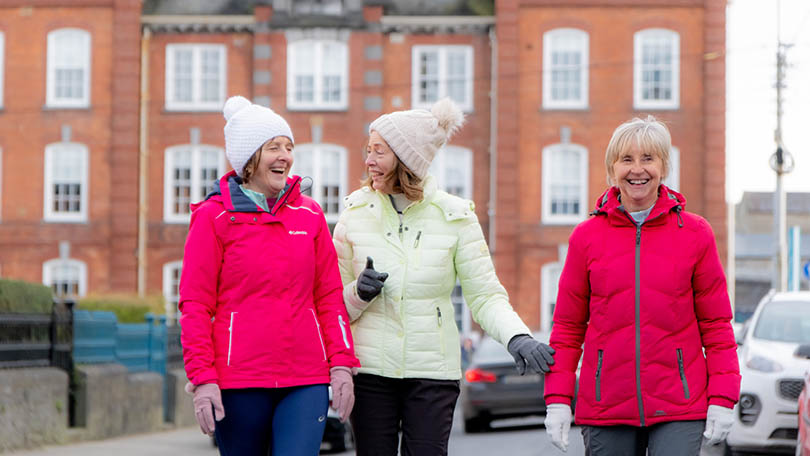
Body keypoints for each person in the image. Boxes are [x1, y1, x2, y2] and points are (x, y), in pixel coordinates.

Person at [332, 97, 555, 455]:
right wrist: (358, 293)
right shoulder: (354, 215)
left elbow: (485, 296)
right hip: (371, 372)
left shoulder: (456, 217)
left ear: (406, 159)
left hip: (432, 373)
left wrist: (517, 337)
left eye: (379, 152)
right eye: (368, 150)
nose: (368, 161)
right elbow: (331, 307)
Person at [542, 116, 741, 455]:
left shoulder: (695, 234)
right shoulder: (586, 238)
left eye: (648, 158)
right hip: (606, 406)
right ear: (612, 168)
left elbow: (716, 324)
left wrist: (723, 396)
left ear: (664, 166)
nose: (637, 170)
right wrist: (558, 399)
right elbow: (568, 327)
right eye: (627, 160)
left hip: (680, 404)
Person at [179, 96, 360, 456]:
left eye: (289, 147)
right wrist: (203, 380)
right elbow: (195, 305)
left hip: (305, 378)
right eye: (273, 147)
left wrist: (341, 362)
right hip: (239, 381)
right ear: (248, 160)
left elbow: (329, 297)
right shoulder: (214, 218)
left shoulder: (309, 216)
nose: (285, 156)